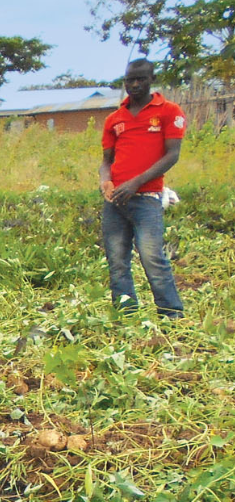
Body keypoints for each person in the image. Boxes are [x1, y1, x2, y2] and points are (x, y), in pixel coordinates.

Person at [100, 58, 185, 318]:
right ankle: (126, 314)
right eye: (129, 80)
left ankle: (171, 314)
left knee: (152, 259)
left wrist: (136, 182)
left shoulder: (169, 111)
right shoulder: (115, 119)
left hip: (147, 198)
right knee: (117, 260)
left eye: (140, 79)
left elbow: (172, 155)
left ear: (151, 80)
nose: (134, 84)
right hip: (115, 201)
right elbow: (106, 161)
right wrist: (106, 182)